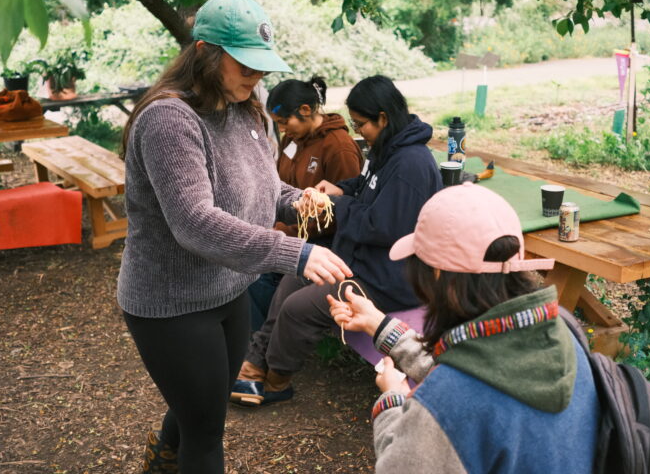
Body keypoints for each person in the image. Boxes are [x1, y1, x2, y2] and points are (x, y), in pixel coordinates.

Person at [116, 0, 352, 474]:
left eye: (260, 65)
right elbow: (194, 221)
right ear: (205, 52)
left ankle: (162, 459)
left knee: (202, 404)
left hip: (229, 289)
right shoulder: (169, 119)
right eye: (245, 65)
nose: (256, 76)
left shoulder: (244, 106)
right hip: (172, 304)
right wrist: (294, 252)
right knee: (206, 433)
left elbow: (265, 185)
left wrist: (297, 200)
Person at [327, 182, 601, 473]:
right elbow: (478, 372)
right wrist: (379, 324)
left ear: (436, 273)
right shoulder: (563, 333)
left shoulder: (443, 406)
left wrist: (392, 399)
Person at [230, 75, 443, 406]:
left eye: (361, 125)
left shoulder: (411, 164)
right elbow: (365, 185)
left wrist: (336, 205)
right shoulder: (386, 148)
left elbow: (385, 227)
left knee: (299, 308)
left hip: (390, 278)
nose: (358, 131)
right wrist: (341, 188)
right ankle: (256, 361)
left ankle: (278, 379)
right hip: (363, 261)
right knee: (293, 278)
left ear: (383, 118)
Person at [247, 76, 363, 331]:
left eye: (284, 122)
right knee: (245, 261)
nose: (283, 130)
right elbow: (280, 188)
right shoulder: (292, 140)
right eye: (278, 124)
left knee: (258, 274)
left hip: (324, 242)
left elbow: (340, 215)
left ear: (306, 110)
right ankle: (259, 337)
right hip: (288, 230)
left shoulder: (339, 147)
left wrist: (282, 232)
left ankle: (266, 339)